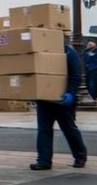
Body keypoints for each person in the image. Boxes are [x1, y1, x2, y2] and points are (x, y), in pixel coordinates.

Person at [30, 40, 87, 170]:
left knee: (69, 129)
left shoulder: (69, 53)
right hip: (45, 100)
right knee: (44, 130)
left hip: (63, 101)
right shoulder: (41, 53)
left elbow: (76, 76)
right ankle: (44, 161)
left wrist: (71, 93)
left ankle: (80, 156)